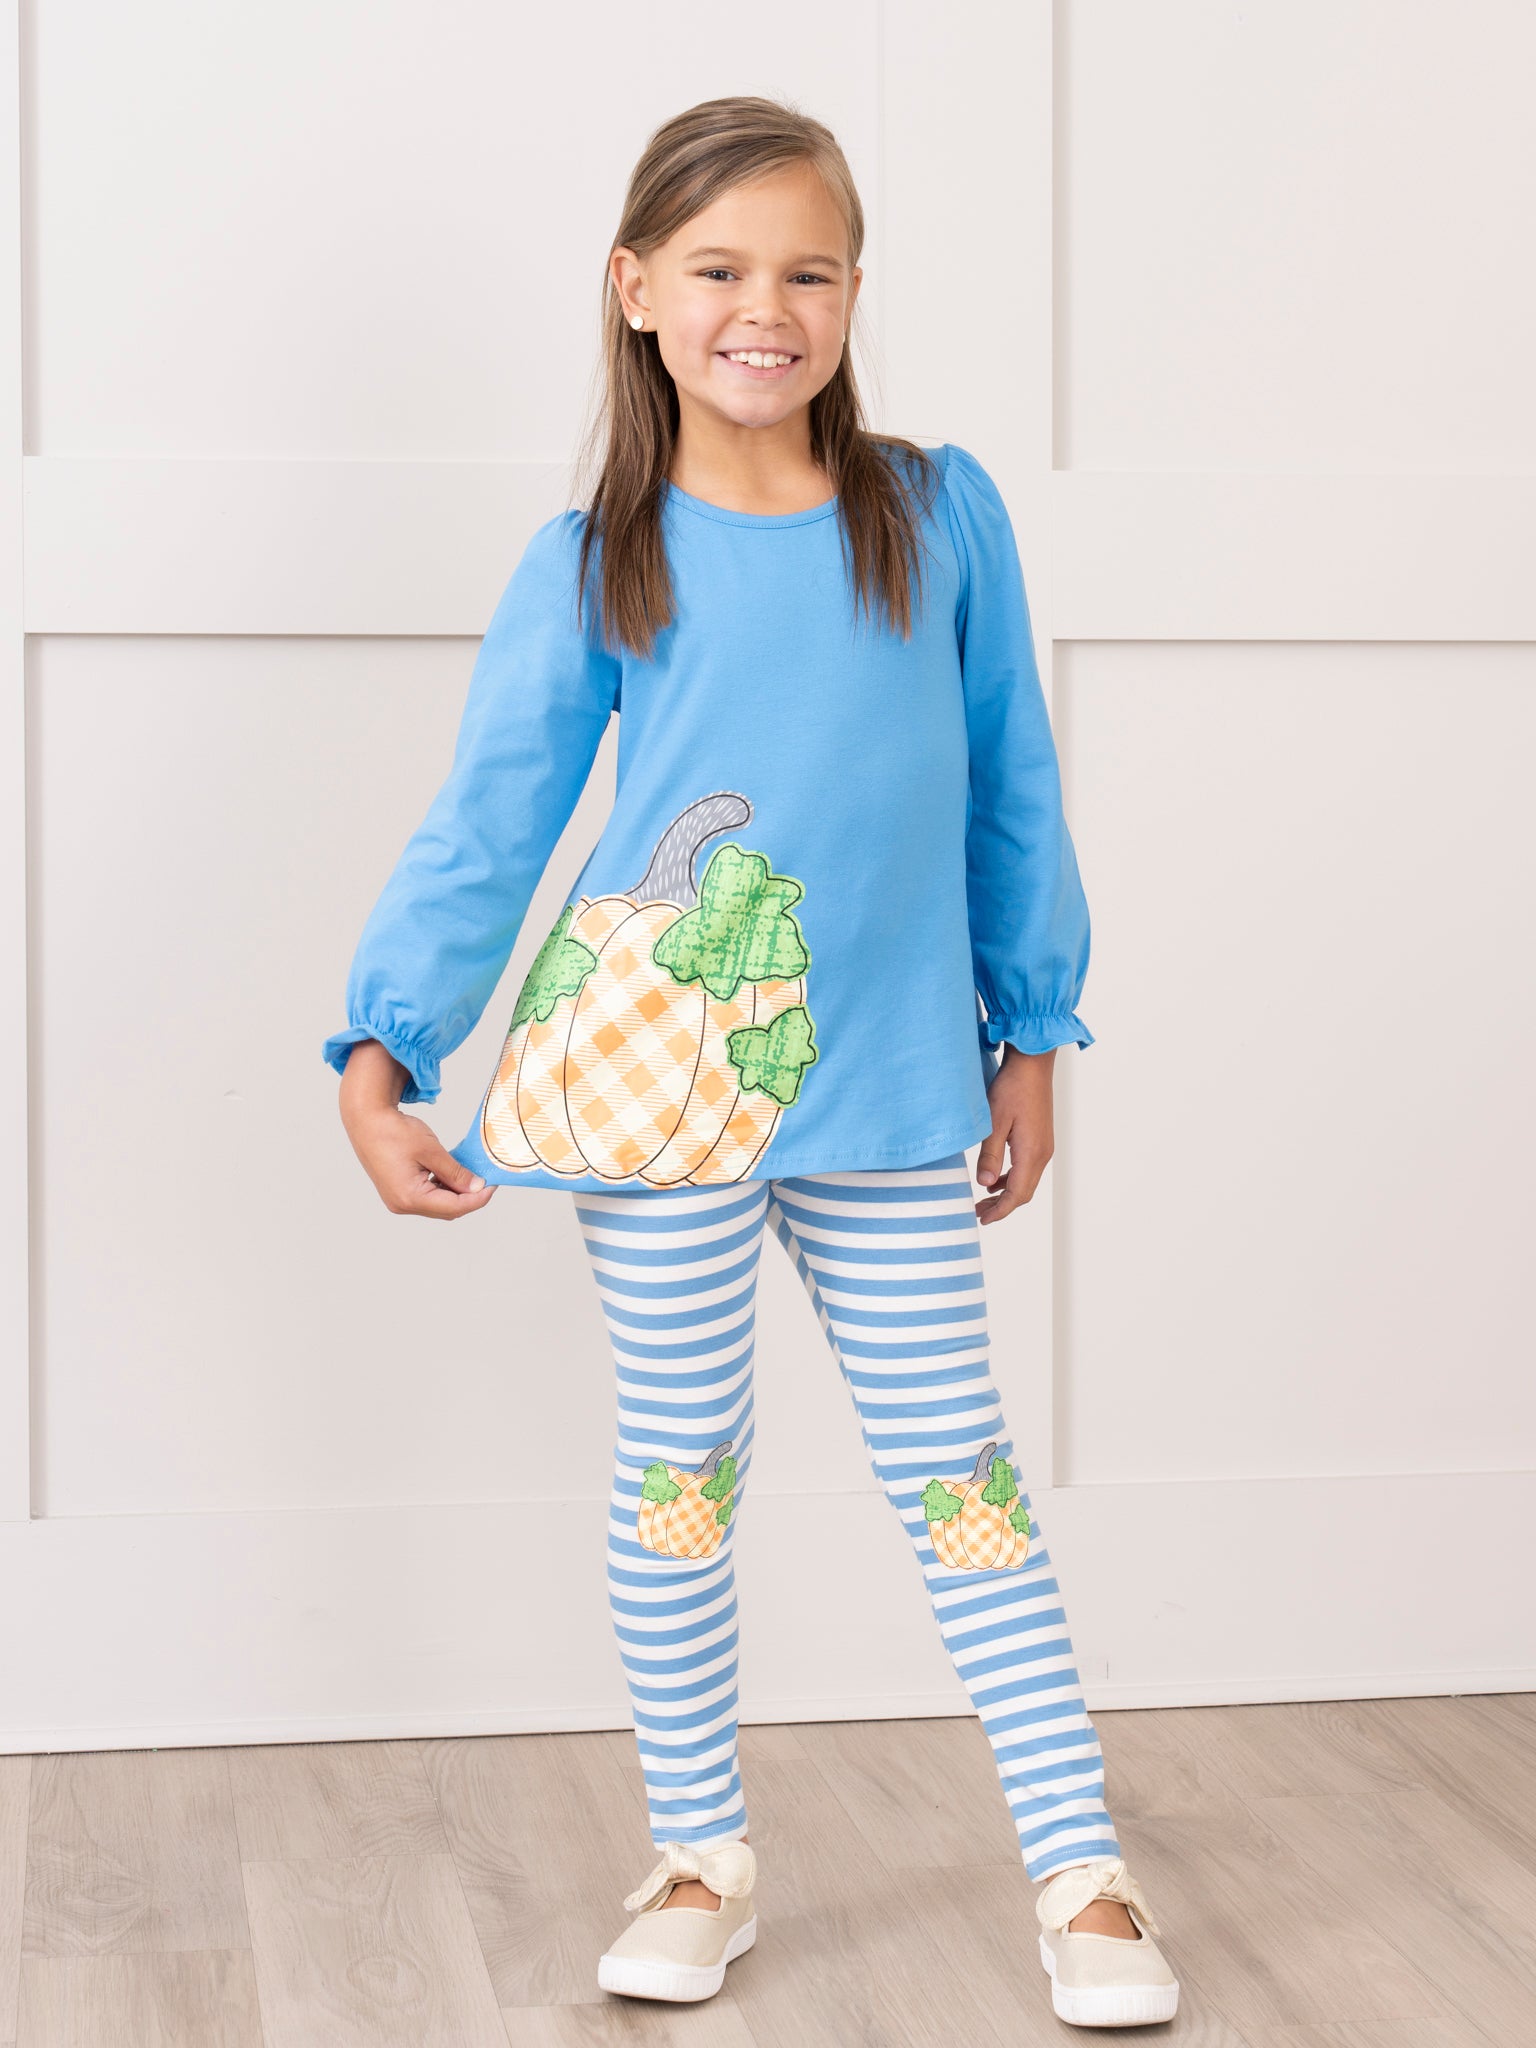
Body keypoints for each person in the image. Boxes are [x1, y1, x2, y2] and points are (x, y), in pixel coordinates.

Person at [321, 94, 1179, 2030]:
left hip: (886, 1087)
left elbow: (1011, 787)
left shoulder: (937, 513)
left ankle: (1083, 1872)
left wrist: (1034, 1030)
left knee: (959, 1474)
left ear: (856, 292)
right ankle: (700, 1854)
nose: (763, 309)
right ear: (637, 289)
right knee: (681, 1475)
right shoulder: (596, 561)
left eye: (807, 272)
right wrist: (388, 1042)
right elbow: (492, 822)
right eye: (719, 270)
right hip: (656, 1104)